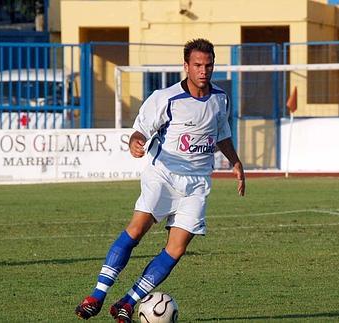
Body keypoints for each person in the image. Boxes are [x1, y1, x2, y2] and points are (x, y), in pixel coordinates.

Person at [75, 38, 246, 322]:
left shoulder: (220, 98)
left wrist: (236, 162)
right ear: (186, 67)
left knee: (177, 248)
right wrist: (136, 142)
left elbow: (222, 132)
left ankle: (127, 303)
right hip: (163, 175)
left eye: (209, 65)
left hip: (197, 183)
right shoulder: (164, 98)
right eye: (198, 65)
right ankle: (97, 294)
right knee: (137, 229)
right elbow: (139, 130)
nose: (204, 71)